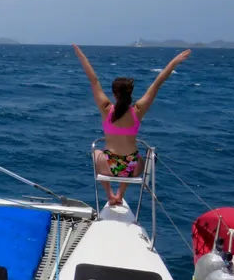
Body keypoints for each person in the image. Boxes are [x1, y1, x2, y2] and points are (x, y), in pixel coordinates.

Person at [73, 44, 191, 206]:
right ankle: (120, 194)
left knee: (96, 153)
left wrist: (81, 57)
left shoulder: (106, 109)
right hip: (132, 168)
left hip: (108, 165)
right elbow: (157, 83)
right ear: (130, 93)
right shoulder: (138, 110)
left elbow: (93, 80)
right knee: (137, 156)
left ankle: (110, 194)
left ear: (114, 94)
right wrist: (173, 62)